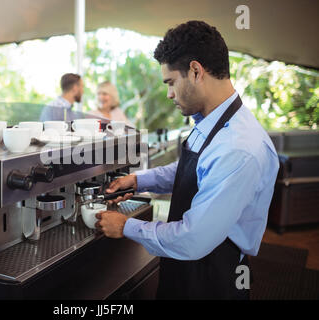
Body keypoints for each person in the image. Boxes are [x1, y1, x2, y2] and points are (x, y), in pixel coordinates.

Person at [95, 21, 279, 299]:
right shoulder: (210, 121)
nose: (169, 94)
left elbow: (193, 239)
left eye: (170, 82)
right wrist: (137, 180)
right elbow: (190, 170)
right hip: (185, 266)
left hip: (212, 278)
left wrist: (125, 226)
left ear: (195, 71)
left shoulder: (239, 147)